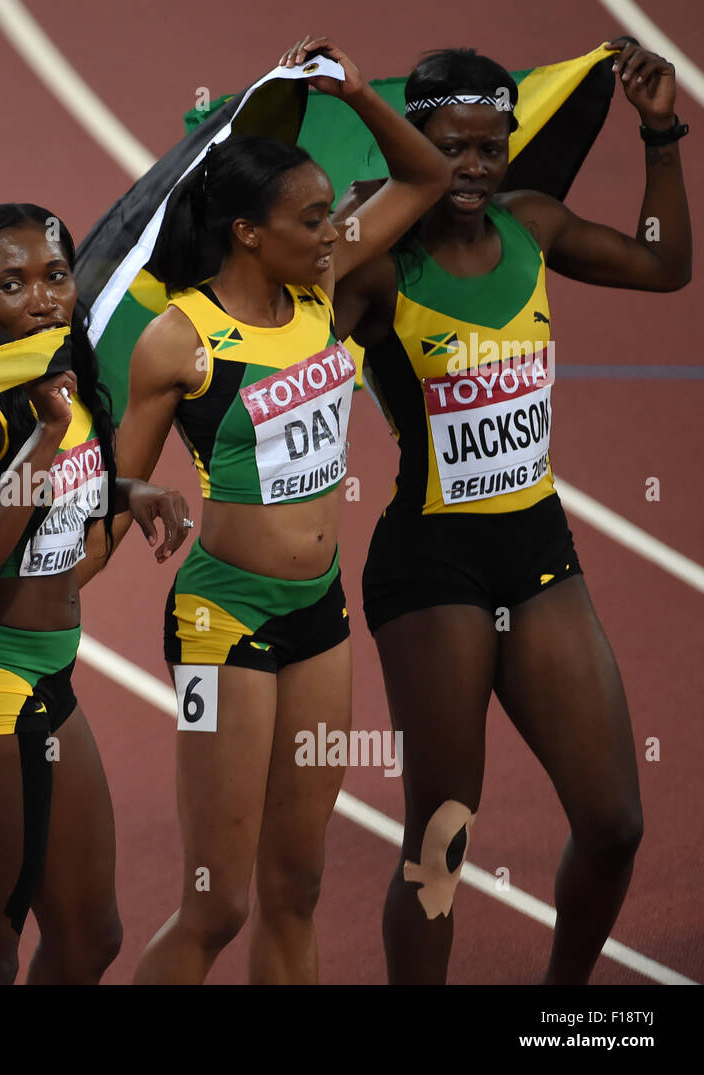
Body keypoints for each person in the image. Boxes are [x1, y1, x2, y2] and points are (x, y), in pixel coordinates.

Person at [80, 35, 450, 984]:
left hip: (318, 617)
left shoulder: (320, 284)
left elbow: (428, 174)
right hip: (224, 622)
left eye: (335, 215)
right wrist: (84, 547)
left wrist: (362, 94)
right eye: (314, 216)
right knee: (218, 903)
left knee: (299, 886)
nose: (335, 231)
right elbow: (113, 489)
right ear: (248, 230)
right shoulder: (182, 340)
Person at [331, 40, 689, 983]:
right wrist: (350, 217)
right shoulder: (379, 269)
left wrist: (660, 132)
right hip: (430, 565)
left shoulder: (532, 226)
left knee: (615, 822)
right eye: (452, 148)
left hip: (536, 547)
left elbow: (665, 267)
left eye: (492, 148)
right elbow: (285, 325)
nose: (474, 170)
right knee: (442, 834)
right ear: (417, 143)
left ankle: (561, 1011)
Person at [0, 203, 191, 984]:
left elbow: (62, 487)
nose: (42, 297)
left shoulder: (61, 371)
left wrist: (126, 489)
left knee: (90, 935)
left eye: (56, 276)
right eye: (13, 282)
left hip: (48, 676)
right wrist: (45, 433)